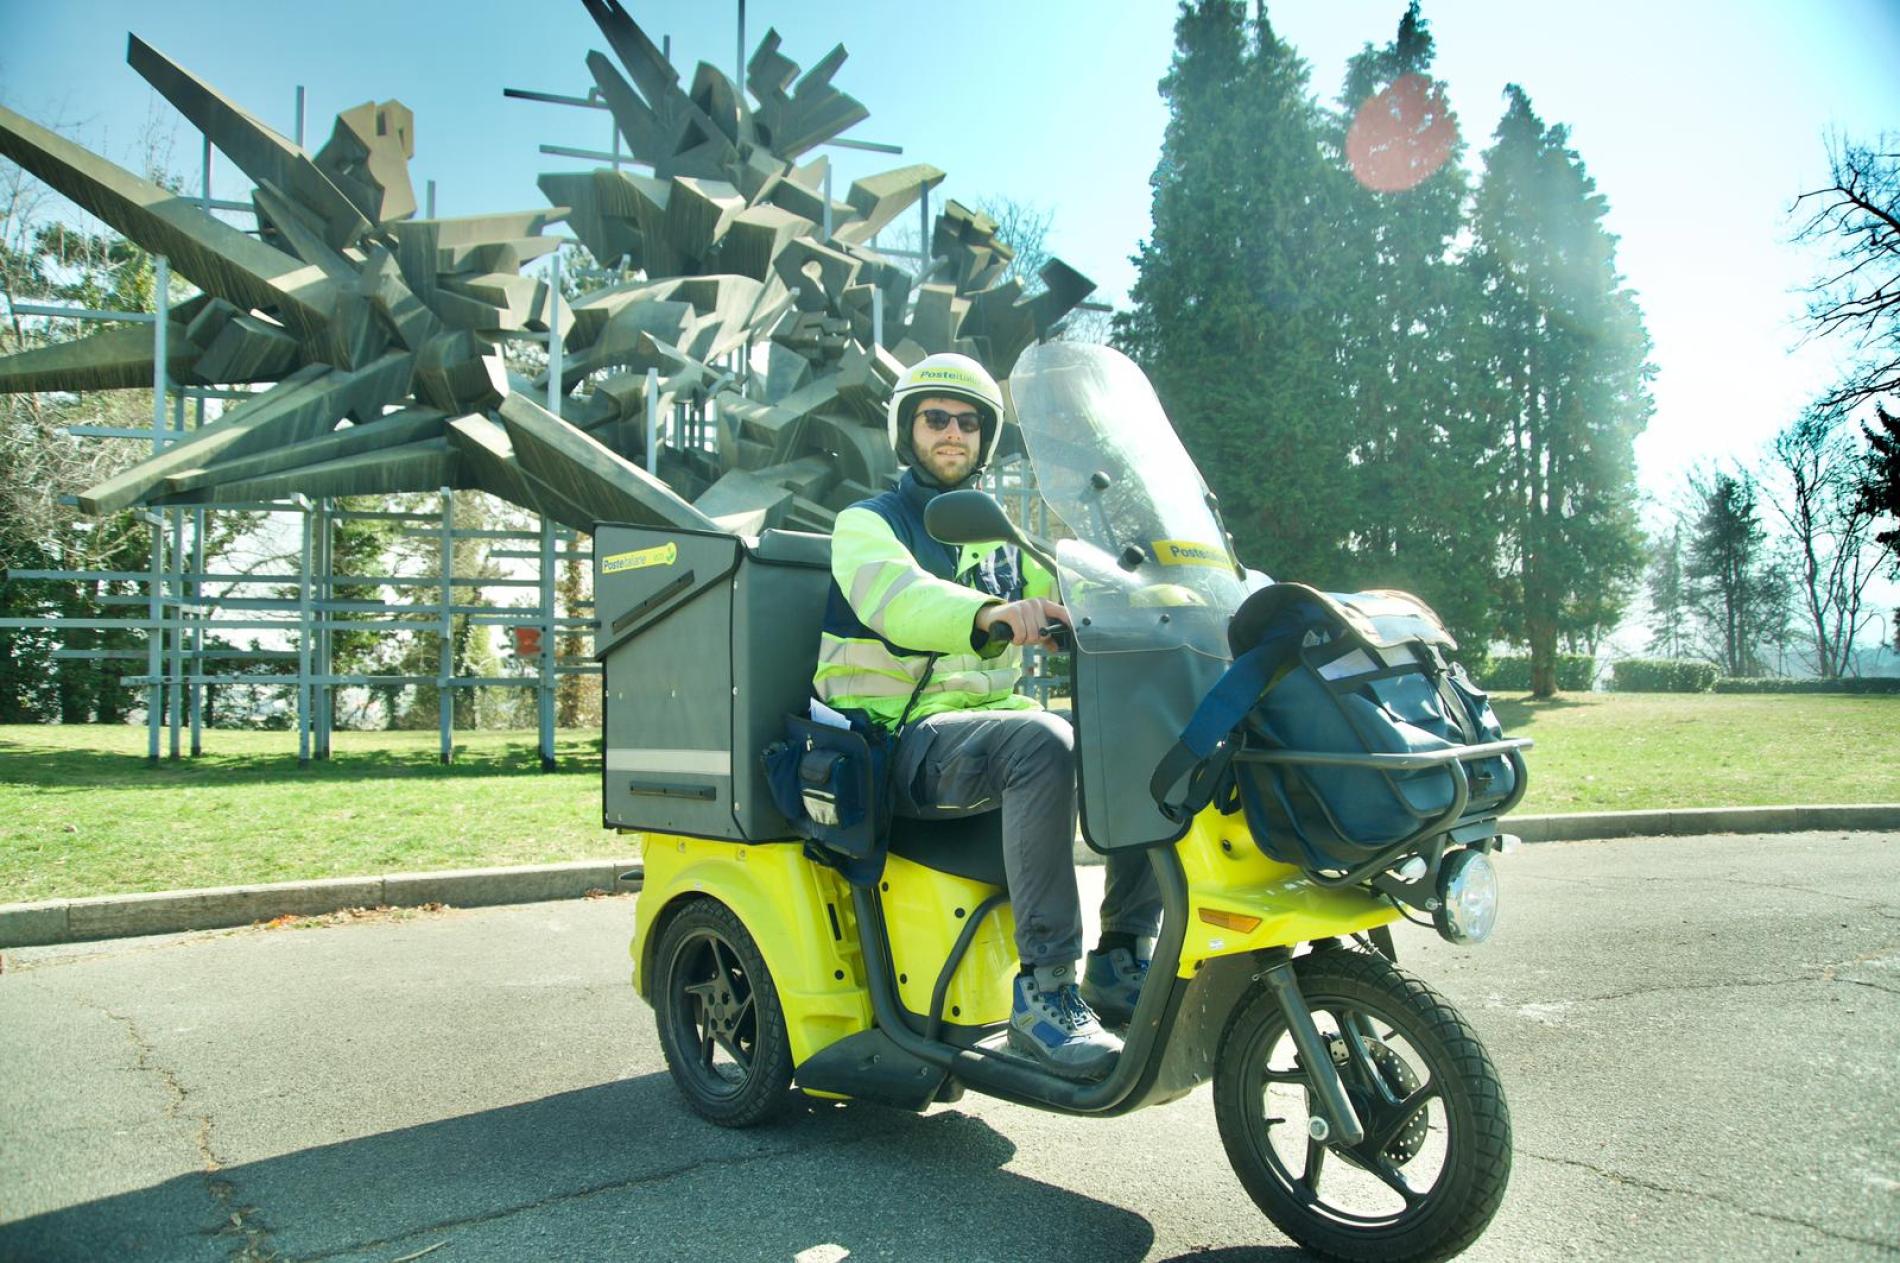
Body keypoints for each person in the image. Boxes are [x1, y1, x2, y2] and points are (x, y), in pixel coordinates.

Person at [812, 352, 1162, 1081]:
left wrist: (1144, 587)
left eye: (969, 422)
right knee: (1043, 740)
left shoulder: (997, 537)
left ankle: (1125, 951)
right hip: (890, 744)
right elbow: (900, 599)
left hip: (976, 732)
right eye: (936, 418)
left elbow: (1069, 580)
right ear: (907, 430)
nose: (953, 433)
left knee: (1136, 734)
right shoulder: (867, 524)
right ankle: (1045, 990)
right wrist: (992, 614)